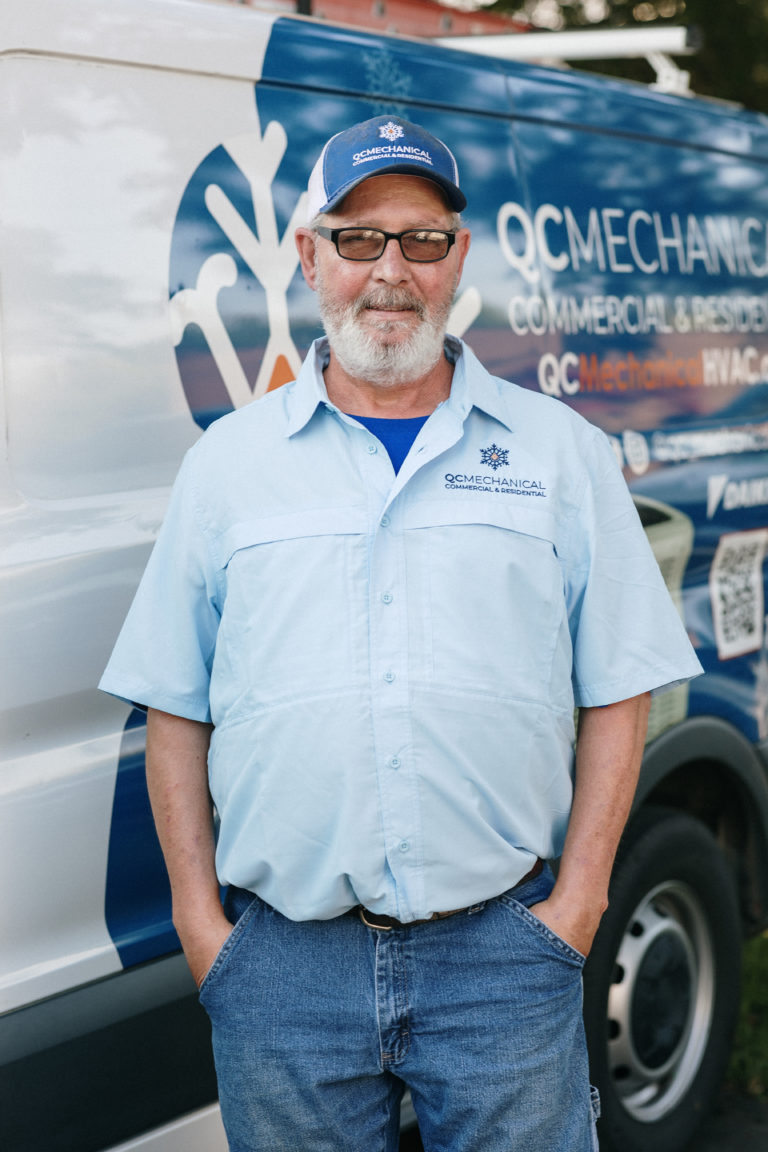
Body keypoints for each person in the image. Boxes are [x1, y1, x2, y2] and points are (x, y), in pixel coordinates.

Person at [100, 115, 702, 1152]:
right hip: (284, 973)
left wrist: (579, 907)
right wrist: (207, 935)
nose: (391, 271)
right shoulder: (227, 469)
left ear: (458, 257)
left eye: (421, 240)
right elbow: (174, 703)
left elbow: (620, 685)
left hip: (504, 962)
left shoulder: (560, 454)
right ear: (310, 258)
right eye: (359, 238)